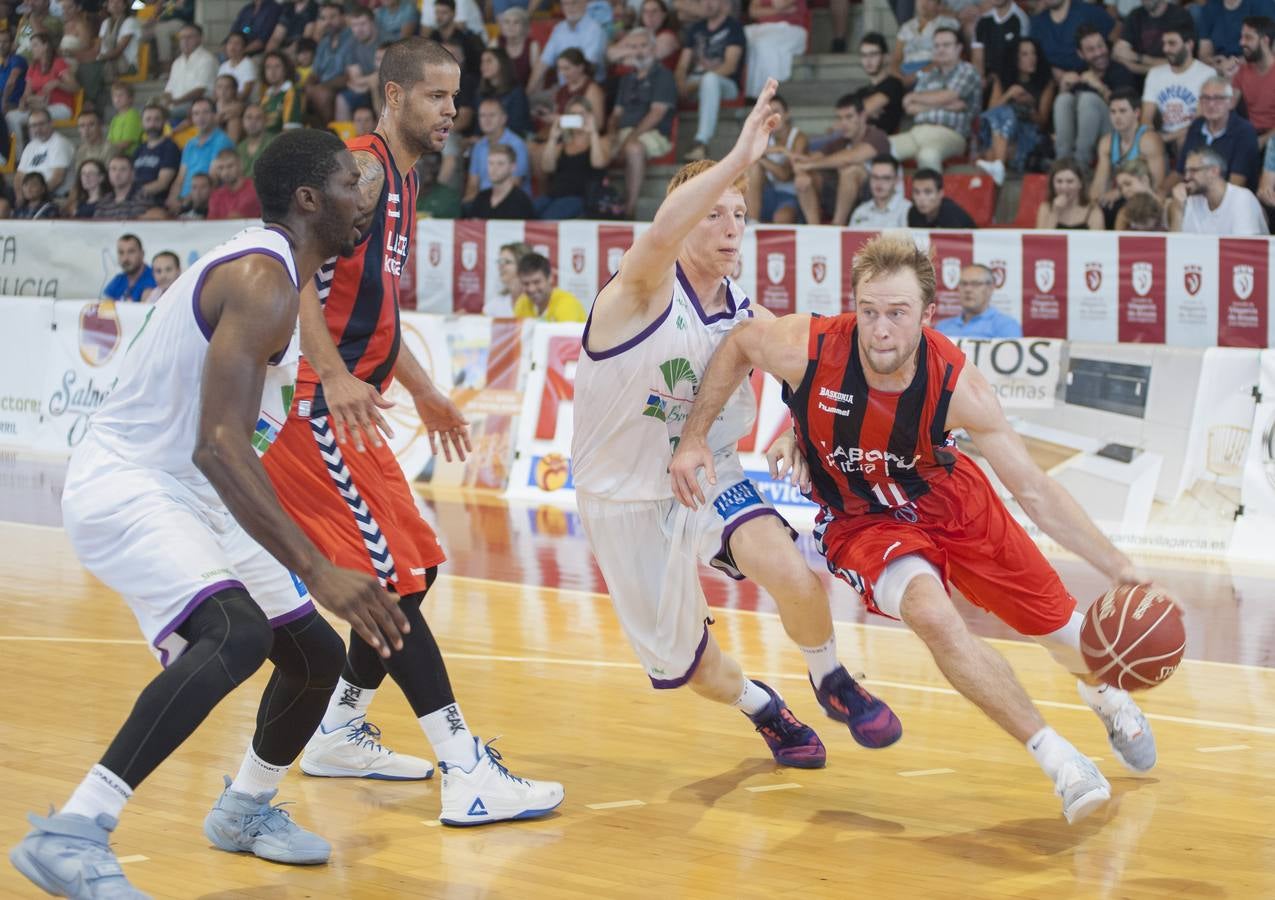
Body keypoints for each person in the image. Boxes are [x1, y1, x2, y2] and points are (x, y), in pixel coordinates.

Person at [9, 128, 402, 900]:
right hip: (132, 484)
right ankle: (74, 832)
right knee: (236, 634)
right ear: (308, 199)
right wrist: (317, 568)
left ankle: (245, 809)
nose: (370, 197)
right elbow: (218, 445)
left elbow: (229, 452)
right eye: (353, 183)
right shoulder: (260, 279)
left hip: (198, 493)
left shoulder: (283, 272)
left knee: (315, 657)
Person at [669, 233, 1158, 825]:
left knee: (1062, 634)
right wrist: (701, 434)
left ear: (927, 316)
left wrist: (1122, 569)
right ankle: (1061, 761)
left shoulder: (957, 384)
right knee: (930, 612)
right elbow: (739, 343)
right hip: (863, 522)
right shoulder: (811, 347)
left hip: (954, 504)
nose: (880, 329)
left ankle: (1102, 691)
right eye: (869, 311)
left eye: (897, 314)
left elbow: (1034, 489)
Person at [261, 37, 563, 825]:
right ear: (393, 97)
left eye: (456, 99)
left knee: (416, 571)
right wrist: (329, 371)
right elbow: (288, 272)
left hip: (352, 401)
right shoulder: (357, 167)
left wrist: (424, 388)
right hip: (309, 404)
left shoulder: (407, 178)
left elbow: (380, 302)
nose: (451, 112)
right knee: (391, 579)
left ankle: (337, 731)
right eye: (436, 97)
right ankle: (465, 770)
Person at [572, 80, 902, 778]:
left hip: (709, 473)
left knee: (791, 570)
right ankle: (763, 707)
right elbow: (659, 232)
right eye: (713, 214)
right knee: (687, 666)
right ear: (682, 221)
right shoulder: (634, 294)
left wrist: (792, 431)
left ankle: (831, 678)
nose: (730, 228)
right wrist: (738, 155)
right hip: (622, 498)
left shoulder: (745, 309)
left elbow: (805, 381)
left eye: (740, 214)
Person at [607, 27, 677, 218]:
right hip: (624, 131)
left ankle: (630, 208)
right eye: (633, 46)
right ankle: (601, 200)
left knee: (633, 148)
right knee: (600, 147)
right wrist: (612, 134)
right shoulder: (627, 78)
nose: (638, 51)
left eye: (643, 46)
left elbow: (656, 114)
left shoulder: (663, 75)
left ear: (653, 49)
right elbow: (616, 114)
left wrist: (628, 138)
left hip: (653, 134)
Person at [891, 28, 982, 172]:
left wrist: (917, 98)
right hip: (918, 131)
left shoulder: (967, 70)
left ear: (958, 48)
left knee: (928, 155)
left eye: (946, 45)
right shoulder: (928, 75)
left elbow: (949, 95)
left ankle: (933, 195)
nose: (941, 50)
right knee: (884, 149)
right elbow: (909, 106)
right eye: (937, 46)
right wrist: (945, 105)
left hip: (951, 134)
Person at [791, 94, 890, 226]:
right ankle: (813, 228)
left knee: (850, 170)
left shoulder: (877, 136)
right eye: (840, 118)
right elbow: (808, 160)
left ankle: (837, 225)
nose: (843, 123)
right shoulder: (838, 142)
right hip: (840, 198)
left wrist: (808, 165)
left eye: (849, 117)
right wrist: (802, 172)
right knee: (805, 179)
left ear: (863, 116)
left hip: (874, 200)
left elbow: (849, 158)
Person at [1053, 26, 1141, 168]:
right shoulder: (1080, 71)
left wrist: (1098, 86)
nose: (1099, 53)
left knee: (1088, 100)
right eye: (1091, 50)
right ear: (1081, 54)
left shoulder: (1121, 71)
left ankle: (1080, 165)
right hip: (1081, 138)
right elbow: (1062, 120)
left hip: (1116, 135)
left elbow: (1126, 113)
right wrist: (1063, 88)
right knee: (1063, 100)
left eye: (1100, 46)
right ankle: (1061, 164)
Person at [974, 38, 1055, 186]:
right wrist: (1008, 95)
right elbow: (991, 113)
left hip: (1028, 134)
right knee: (1005, 112)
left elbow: (1042, 122)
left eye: (1034, 54)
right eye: (1025, 54)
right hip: (1001, 134)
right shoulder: (1002, 80)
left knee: (991, 153)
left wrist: (1030, 106)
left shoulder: (1046, 82)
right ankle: (999, 163)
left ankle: (998, 163)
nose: (1031, 59)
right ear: (1015, 58)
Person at [676, 0, 746, 161]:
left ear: (724, 4)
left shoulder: (734, 27)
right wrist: (680, 83)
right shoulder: (696, 28)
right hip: (696, 82)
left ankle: (701, 142)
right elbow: (682, 65)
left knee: (710, 79)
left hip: (726, 85)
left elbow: (729, 66)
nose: (707, 4)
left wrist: (696, 85)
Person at [1090, 87, 1167, 220]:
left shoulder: (1149, 140)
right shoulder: (1106, 142)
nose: (1117, 117)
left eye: (1122, 111)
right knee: (1098, 210)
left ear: (1136, 113)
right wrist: (1092, 206)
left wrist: (1120, 192)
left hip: (1147, 198)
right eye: (1113, 112)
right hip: (1123, 196)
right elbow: (1099, 183)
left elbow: (1157, 186)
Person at [1142, 23, 1216, 151]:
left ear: (1189, 45)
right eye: (1164, 43)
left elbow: (1200, 120)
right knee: (1146, 140)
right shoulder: (1155, 73)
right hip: (1162, 134)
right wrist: (1150, 134)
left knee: (1184, 141)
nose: (1165, 49)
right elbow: (1146, 116)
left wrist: (1167, 138)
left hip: (1192, 135)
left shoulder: (1207, 74)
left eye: (1172, 44)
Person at [1176, 76, 1260, 186]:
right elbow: (1180, 172)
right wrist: (1162, 191)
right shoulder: (1197, 125)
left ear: (1231, 102)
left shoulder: (1245, 131)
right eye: (1206, 98)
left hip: (1230, 198)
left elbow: (1236, 184)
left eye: (1218, 98)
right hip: (1196, 192)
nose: (1211, 104)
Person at [1170, 145, 1271, 232]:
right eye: (1186, 171)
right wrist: (1177, 209)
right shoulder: (1191, 199)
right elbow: (1177, 248)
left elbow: (1245, 249)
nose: (1186, 177)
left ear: (1214, 171)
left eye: (1193, 171)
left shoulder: (1241, 199)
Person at [540, 97, 608, 219]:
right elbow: (546, 167)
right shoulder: (561, 146)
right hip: (554, 195)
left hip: (580, 197)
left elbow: (598, 163)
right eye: (572, 114)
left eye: (581, 114)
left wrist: (592, 132)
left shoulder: (600, 142)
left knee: (548, 219)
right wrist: (553, 138)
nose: (577, 117)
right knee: (527, 212)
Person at [167, 97, 235, 214]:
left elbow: (212, 178)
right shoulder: (190, 144)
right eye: (196, 113)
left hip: (204, 202)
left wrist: (186, 201)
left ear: (214, 115)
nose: (201, 117)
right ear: (192, 118)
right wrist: (172, 199)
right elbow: (180, 177)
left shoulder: (222, 141)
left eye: (205, 112)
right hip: (184, 202)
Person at [745, 93, 805, 224]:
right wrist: (779, 149)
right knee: (753, 167)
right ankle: (753, 223)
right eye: (768, 114)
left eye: (777, 112)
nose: (773, 117)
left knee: (782, 218)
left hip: (791, 196)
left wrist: (760, 157)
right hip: (768, 194)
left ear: (787, 114)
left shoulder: (798, 138)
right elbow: (743, 155)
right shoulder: (764, 137)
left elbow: (785, 175)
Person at [464, 97, 529, 202]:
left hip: (509, 203)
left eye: (492, 115)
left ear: (504, 119)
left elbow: (515, 184)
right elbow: (472, 184)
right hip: (482, 202)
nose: (486, 120)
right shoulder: (478, 146)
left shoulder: (517, 145)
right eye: (482, 115)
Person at [937, 263, 1022, 338]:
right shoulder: (942, 328)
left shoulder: (1006, 326)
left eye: (975, 284)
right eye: (964, 284)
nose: (968, 289)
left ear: (990, 288)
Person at [1113, 0, 1195, 76]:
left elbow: (1180, 62)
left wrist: (1138, 59)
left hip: (1170, 77)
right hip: (1136, 80)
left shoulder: (1180, 16)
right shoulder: (1135, 15)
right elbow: (1118, 53)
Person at [1227, 16, 1275, 144]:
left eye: (1248, 38)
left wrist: (1262, 141)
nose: (1241, 43)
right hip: (1249, 133)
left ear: (1265, 41)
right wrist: (1227, 78)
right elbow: (1228, 106)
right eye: (1242, 37)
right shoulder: (1242, 69)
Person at [159, 23, 218, 125]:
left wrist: (176, 102)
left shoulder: (207, 59)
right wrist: (164, 100)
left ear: (200, 39)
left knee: (160, 115)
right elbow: (169, 89)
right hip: (176, 104)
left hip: (198, 104)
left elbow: (200, 90)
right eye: (182, 38)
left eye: (189, 37)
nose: (185, 41)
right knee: (150, 111)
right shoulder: (177, 62)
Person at [848, 32, 905, 135]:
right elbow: (847, 116)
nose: (868, 60)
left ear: (886, 57)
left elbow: (857, 112)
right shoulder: (861, 92)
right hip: (857, 139)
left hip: (881, 141)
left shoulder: (893, 84)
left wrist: (862, 113)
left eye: (873, 54)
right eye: (864, 55)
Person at [892, 0, 959, 84]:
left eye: (929, 0)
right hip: (905, 72)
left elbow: (947, 57)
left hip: (933, 71)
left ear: (938, 4)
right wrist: (899, 77)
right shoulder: (906, 27)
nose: (923, 3)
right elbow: (896, 58)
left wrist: (918, 74)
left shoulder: (947, 24)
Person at [972, 0, 1030, 91]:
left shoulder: (1020, 19)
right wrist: (981, 78)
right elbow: (977, 57)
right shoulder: (982, 20)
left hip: (1012, 81)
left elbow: (1024, 56)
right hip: (987, 80)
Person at [512, 252, 586, 321]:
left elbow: (562, 334)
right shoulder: (522, 303)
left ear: (550, 278)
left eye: (537, 282)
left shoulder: (567, 303)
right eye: (526, 284)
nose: (531, 289)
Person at [17, 107, 73, 196]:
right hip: (31, 196)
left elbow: (57, 178)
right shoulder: (30, 146)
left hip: (52, 194)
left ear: (51, 123)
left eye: (41, 124)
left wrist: (36, 196)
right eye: (34, 125)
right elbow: (19, 176)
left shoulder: (60, 143)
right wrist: (19, 196)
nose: (38, 129)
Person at [1037, 157, 1105, 229]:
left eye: (1070, 181)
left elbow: (1098, 239)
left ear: (1080, 183)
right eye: (1059, 181)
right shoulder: (1046, 208)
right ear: (1052, 184)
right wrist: (1055, 213)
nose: (1064, 187)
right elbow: (1042, 239)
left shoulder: (1093, 211)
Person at [133, 103, 181, 204]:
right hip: (135, 199)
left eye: (157, 119)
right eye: (148, 120)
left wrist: (132, 193)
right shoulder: (138, 150)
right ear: (142, 123)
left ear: (164, 122)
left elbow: (162, 183)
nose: (152, 124)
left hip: (156, 201)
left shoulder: (170, 148)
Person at [850, 154, 910, 227]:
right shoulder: (860, 211)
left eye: (886, 178)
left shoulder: (907, 210)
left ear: (896, 180)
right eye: (875, 177)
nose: (879, 183)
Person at [908, 168, 975, 228]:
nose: (921, 198)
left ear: (940, 194)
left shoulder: (952, 214)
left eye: (928, 192)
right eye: (916, 192)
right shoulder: (913, 212)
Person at [208, 147, 262, 219]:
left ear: (241, 165)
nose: (225, 172)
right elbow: (210, 224)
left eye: (230, 166)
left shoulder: (255, 188)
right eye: (221, 168)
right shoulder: (216, 195)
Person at [102, 234, 158, 302]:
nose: (125, 258)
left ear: (142, 254)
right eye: (121, 252)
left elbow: (145, 310)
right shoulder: (119, 279)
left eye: (131, 252)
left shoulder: (155, 276)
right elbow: (104, 306)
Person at [95, 154, 154, 219]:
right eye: (113, 169)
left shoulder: (142, 198)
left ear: (132, 174)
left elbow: (135, 225)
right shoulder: (104, 201)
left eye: (123, 169)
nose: (117, 174)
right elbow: (97, 227)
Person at [490, 240, 531, 315]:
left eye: (507, 262)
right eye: (500, 262)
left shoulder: (537, 300)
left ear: (523, 265)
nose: (500, 266)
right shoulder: (496, 303)